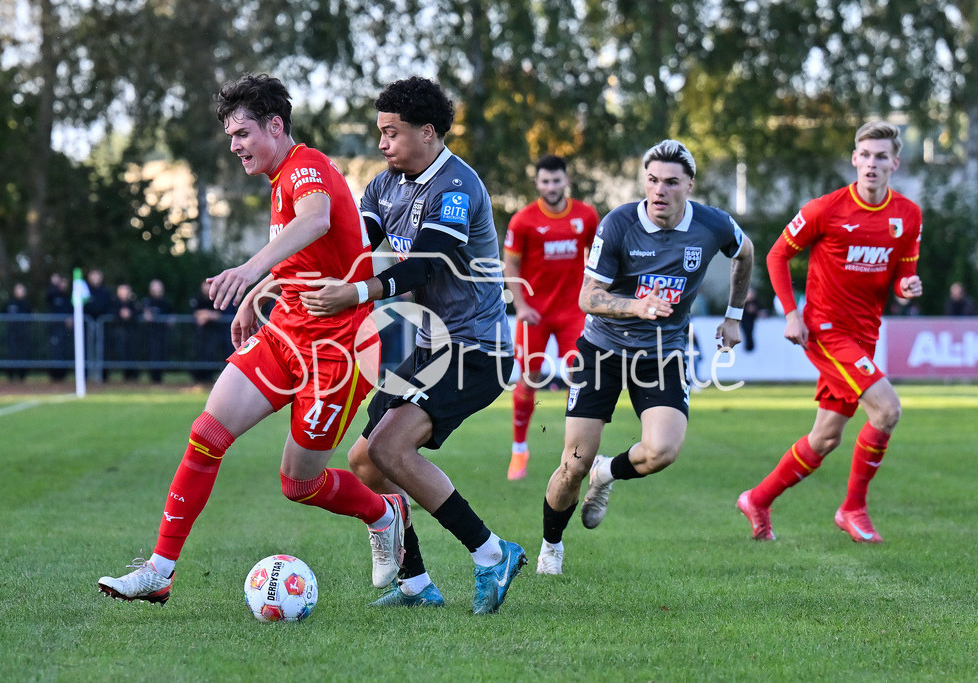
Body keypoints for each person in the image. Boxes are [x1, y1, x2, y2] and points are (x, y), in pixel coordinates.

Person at [98, 73, 407, 605]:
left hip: (338, 351)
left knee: (299, 484)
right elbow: (304, 255)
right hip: (286, 330)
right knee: (207, 433)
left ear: (275, 125)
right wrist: (254, 295)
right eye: (230, 136)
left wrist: (247, 269)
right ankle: (160, 569)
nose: (235, 145)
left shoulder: (305, 167)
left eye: (242, 133)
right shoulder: (281, 177)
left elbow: (315, 221)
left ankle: (384, 513)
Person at [301, 76, 527, 614]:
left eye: (391, 133)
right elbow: (354, 243)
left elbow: (427, 263)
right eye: (379, 132)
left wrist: (355, 292)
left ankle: (493, 553)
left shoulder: (457, 187)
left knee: (387, 448)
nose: (382, 143)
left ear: (427, 133)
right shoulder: (385, 185)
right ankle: (415, 584)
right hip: (433, 349)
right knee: (366, 460)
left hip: (477, 350)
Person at [536, 139, 754, 576]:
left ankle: (607, 473)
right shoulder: (618, 224)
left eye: (671, 183)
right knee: (572, 465)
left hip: (663, 351)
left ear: (689, 185)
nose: (659, 191)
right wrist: (634, 305)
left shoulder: (713, 225)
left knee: (662, 451)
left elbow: (745, 252)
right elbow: (588, 297)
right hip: (602, 349)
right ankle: (551, 546)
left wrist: (733, 316)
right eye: (652, 181)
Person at [737, 121, 923, 544]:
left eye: (881, 156)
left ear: (895, 162)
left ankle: (758, 499)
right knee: (887, 410)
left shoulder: (908, 215)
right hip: (825, 329)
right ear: (854, 159)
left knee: (824, 438)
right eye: (866, 155)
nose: (872, 163)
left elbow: (902, 278)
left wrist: (906, 288)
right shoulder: (826, 209)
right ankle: (852, 508)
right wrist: (791, 314)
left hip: (865, 334)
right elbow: (777, 254)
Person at [503, 154, 598, 480]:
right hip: (535, 314)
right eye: (545, 181)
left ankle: (578, 451)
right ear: (538, 183)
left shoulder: (586, 216)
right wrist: (520, 305)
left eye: (556, 180)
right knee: (529, 380)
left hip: (574, 311)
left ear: (566, 181)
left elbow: (596, 256)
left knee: (581, 378)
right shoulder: (524, 220)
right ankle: (519, 450)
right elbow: (511, 265)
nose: (551, 186)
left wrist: (593, 293)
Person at [141, 279, 174, 383]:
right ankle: (152, 377)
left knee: (161, 354)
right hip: (151, 334)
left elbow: (172, 315)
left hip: (162, 334)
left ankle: (159, 377)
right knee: (152, 354)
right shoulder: (147, 302)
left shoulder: (166, 302)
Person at [108, 283, 140, 380]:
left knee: (132, 354)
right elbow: (110, 312)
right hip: (117, 333)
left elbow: (138, 312)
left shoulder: (133, 303)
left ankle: (132, 375)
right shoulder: (114, 302)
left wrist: (130, 314)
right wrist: (119, 313)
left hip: (131, 334)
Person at [45, 273, 73, 381]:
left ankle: (63, 374)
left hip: (65, 330)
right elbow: (48, 297)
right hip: (55, 329)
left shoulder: (68, 297)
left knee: (64, 351)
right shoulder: (53, 295)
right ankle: (54, 375)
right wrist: (54, 284)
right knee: (55, 352)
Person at [3, 282, 32, 381]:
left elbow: (30, 317)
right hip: (11, 332)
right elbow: (3, 314)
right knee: (11, 354)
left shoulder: (26, 304)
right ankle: (10, 375)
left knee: (23, 354)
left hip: (23, 333)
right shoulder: (10, 303)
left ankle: (22, 375)